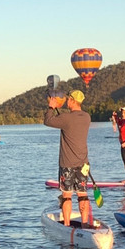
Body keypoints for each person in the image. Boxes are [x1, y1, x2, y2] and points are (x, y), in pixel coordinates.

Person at [44, 90, 93, 228]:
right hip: (83, 163)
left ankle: (66, 225)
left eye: (68, 99)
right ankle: (84, 224)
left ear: (72, 100)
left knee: (67, 195)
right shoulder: (87, 117)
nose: (66, 101)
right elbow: (70, 122)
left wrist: (51, 107)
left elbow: (48, 121)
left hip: (67, 163)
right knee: (82, 195)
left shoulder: (66, 118)